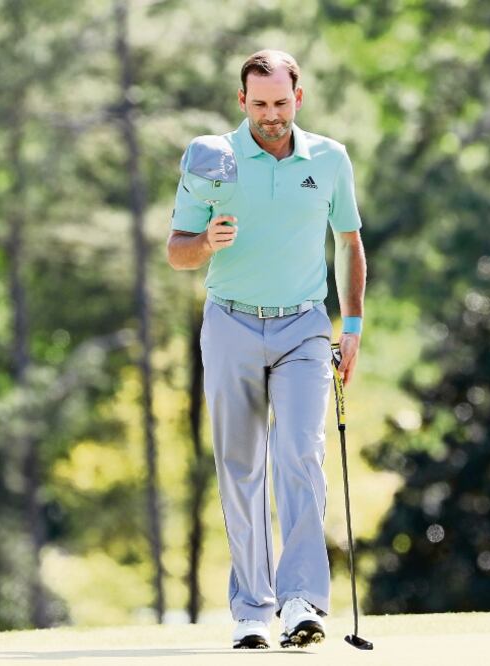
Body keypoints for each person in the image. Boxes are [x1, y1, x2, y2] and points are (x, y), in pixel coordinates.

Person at [166, 49, 366, 649]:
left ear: (298, 98)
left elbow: (349, 242)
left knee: (301, 454)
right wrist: (205, 241)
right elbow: (176, 249)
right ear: (241, 101)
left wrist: (350, 325)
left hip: (304, 325)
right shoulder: (211, 157)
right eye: (259, 104)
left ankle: (302, 601)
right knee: (240, 465)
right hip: (229, 323)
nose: (271, 116)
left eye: (281, 103)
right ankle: (252, 609)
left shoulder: (329, 158)